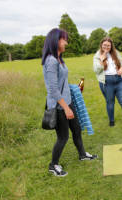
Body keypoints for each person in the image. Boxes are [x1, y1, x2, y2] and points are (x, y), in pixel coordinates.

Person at [42, 28, 97, 177]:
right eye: (64, 39)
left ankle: (82, 155)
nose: (66, 42)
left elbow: (61, 82)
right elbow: (53, 89)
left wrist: (75, 89)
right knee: (63, 137)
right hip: (60, 106)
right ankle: (53, 165)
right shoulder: (51, 61)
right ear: (55, 41)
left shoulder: (59, 59)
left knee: (77, 130)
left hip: (67, 101)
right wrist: (66, 108)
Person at [93, 37, 122, 127]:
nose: (106, 47)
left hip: (119, 81)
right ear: (101, 45)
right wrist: (101, 60)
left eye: (108, 45)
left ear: (111, 46)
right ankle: (111, 121)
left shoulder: (116, 53)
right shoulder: (97, 56)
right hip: (107, 83)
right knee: (110, 103)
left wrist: (121, 69)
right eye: (104, 45)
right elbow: (96, 70)